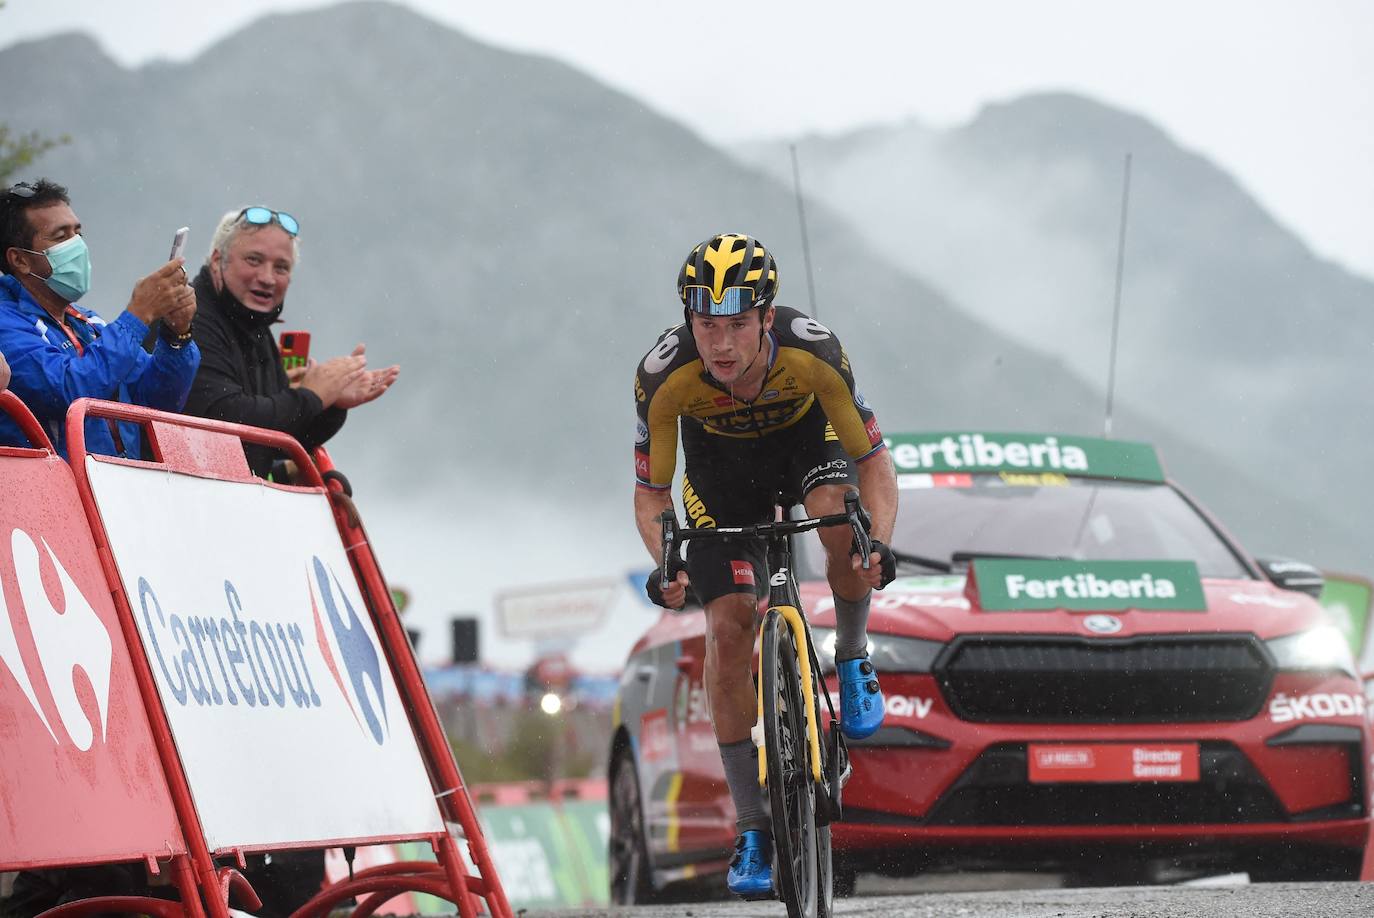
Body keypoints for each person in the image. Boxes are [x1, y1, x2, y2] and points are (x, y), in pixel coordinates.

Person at [632, 233, 899, 898]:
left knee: (842, 520)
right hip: (720, 475)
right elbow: (652, 493)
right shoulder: (664, 377)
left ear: (767, 315)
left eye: (739, 326)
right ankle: (752, 825)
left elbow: (873, 462)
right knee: (726, 629)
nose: (721, 345)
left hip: (808, 444)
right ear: (689, 319)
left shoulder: (815, 352)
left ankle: (855, 655)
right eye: (706, 326)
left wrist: (878, 543)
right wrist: (667, 563)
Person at [176, 206, 398, 480]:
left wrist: (331, 405)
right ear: (217, 261)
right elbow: (225, 421)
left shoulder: (251, 324)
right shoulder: (191, 316)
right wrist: (311, 396)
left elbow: (279, 437)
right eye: (254, 260)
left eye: (281, 267)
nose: (268, 278)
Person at [0, 180, 199, 455]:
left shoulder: (88, 323)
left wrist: (177, 334)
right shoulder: (6, 324)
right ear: (20, 260)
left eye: (78, 233)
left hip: (110, 487)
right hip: (52, 491)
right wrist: (138, 315)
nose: (77, 245)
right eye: (61, 237)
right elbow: (67, 390)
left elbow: (158, 401)